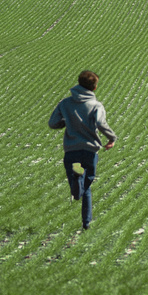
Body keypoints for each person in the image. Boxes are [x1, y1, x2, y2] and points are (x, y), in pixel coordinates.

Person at [48, 70, 117, 230]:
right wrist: (112, 138)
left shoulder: (65, 103)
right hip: (90, 151)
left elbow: (53, 123)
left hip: (72, 150)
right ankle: (86, 223)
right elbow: (101, 124)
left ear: (78, 83)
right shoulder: (96, 105)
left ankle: (77, 180)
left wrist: (67, 122)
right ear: (94, 87)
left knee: (77, 177)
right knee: (87, 185)